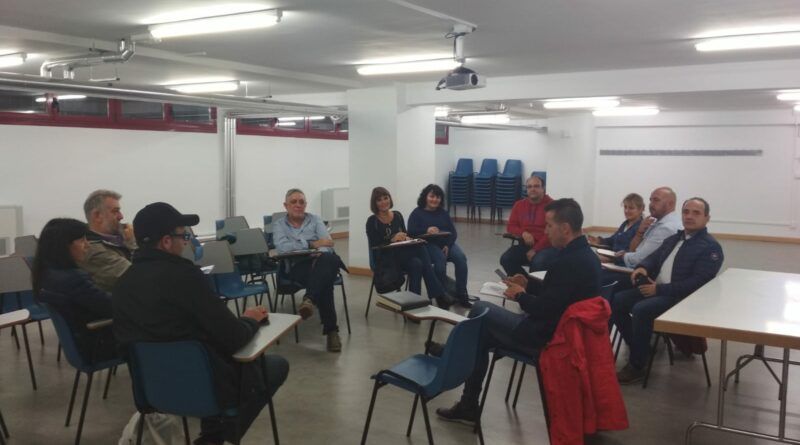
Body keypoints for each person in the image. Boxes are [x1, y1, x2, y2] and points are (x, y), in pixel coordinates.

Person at [113, 202, 288, 445]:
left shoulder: (122, 284)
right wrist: (250, 319)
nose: (186, 241)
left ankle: (212, 434)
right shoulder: (186, 277)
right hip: (205, 388)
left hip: (153, 390)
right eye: (183, 235)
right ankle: (215, 439)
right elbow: (234, 337)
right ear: (165, 241)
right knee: (276, 365)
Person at [436, 198, 601, 424]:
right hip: (561, 332)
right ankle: (467, 403)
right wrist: (528, 284)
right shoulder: (583, 255)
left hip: (546, 336)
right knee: (480, 336)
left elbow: (545, 308)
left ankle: (453, 353)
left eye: (549, 226)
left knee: (479, 308)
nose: (546, 232)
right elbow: (557, 294)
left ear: (565, 228)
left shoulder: (569, 262)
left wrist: (520, 296)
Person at [613, 197, 723, 384]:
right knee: (618, 300)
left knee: (641, 309)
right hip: (658, 289)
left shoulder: (710, 247)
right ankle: (640, 346)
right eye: (686, 212)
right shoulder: (674, 238)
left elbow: (698, 283)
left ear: (707, 218)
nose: (689, 216)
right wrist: (642, 267)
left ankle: (637, 365)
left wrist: (659, 289)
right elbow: (654, 258)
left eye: (696, 213)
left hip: (682, 298)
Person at [31, 218, 116, 361]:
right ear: (64, 246)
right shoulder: (74, 279)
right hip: (100, 346)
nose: (88, 245)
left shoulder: (46, 274)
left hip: (82, 344)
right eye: (82, 240)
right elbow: (112, 307)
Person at [273, 188, 345, 353]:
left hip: (320, 261)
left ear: (305, 204)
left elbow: (328, 242)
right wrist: (312, 244)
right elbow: (283, 248)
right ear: (286, 205)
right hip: (297, 267)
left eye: (301, 202)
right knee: (325, 279)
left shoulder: (315, 219)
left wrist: (317, 249)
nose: (298, 205)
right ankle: (331, 331)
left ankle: (309, 299)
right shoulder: (279, 225)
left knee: (327, 260)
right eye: (294, 202)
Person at [366, 186, 453, 309]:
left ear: (390, 199)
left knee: (417, 263)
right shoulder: (372, 221)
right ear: (375, 203)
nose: (384, 202)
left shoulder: (397, 215)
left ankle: (413, 306)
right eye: (379, 200)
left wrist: (407, 238)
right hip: (386, 258)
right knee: (421, 249)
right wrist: (391, 239)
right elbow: (374, 244)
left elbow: (406, 234)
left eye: (386, 198)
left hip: (402, 254)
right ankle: (438, 293)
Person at [407, 184, 472, 308]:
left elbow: (453, 232)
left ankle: (462, 294)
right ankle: (442, 296)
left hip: (446, 244)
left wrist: (448, 245)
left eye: (438, 197)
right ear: (425, 197)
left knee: (461, 259)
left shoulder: (443, 212)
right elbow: (410, 232)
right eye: (432, 196)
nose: (434, 200)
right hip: (427, 245)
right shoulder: (416, 213)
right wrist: (426, 230)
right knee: (440, 262)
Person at [79, 189, 135, 292]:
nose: (121, 216)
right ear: (97, 216)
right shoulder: (92, 249)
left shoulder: (118, 241)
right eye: (115, 211)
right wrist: (133, 245)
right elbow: (138, 277)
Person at [500, 175, 556, 274]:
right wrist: (523, 233)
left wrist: (535, 249)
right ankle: (525, 284)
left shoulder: (553, 206)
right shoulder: (519, 205)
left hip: (547, 247)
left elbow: (552, 233)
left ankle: (534, 287)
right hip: (525, 245)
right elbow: (511, 226)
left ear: (543, 188)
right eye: (529, 187)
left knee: (538, 262)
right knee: (506, 259)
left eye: (536, 186)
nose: (532, 189)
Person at [587, 193, 644, 263]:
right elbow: (612, 240)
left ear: (641, 209)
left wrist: (611, 260)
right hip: (613, 258)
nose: (626, 211)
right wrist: (598, 240)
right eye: (625, 207)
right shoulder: (625, 224)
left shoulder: (641, 228)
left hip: (622, 264)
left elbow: (634, 253)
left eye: (631, 208)